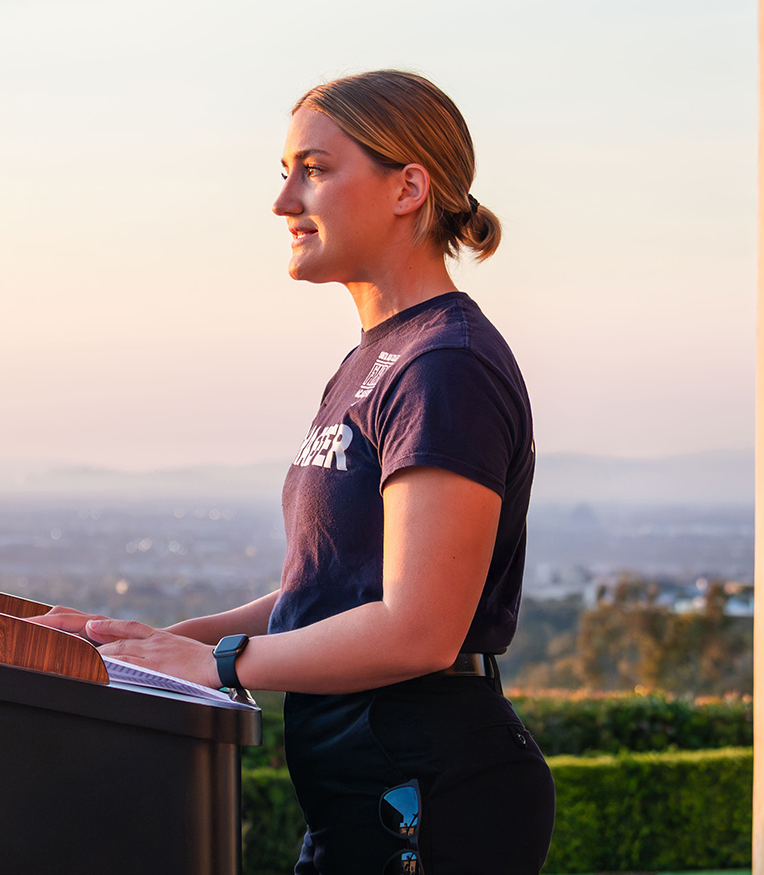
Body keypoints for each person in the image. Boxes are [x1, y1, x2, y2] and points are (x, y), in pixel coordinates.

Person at [33, 70, 555, 874]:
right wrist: (147, 646)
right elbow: (332, 590)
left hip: (429, 797)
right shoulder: (377, 360)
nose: (283, 202)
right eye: (284, 173)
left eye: (313, 169)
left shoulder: (444, 365)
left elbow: (417, 627)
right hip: (363, 795)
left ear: (408, 186)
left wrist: (218, 663)